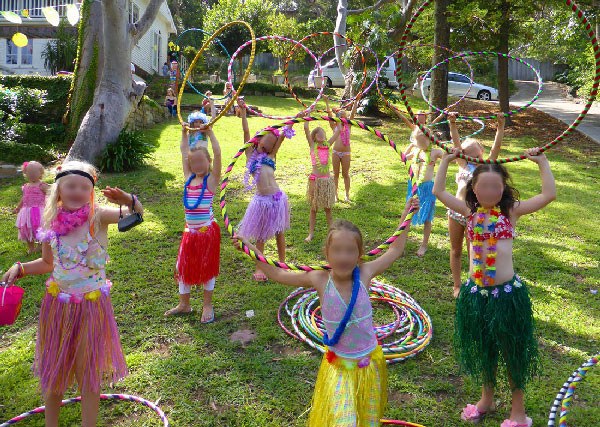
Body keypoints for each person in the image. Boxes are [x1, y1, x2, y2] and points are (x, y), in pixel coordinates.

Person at [232, 197, 419, 426]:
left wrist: (406, 215)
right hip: (339, 366)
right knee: (344, 422)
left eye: (350, 251)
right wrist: (248, 248)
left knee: (368, 421)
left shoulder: (365, 272)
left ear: (360, 254)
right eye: (337, 250)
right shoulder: (319, 278)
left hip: (368, 364)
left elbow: (395, 249)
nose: (343, 257)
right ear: (326, 254)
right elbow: (279, 274)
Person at [2, 160, 143, 427]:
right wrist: (20, 267)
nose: (77, 191)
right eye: (71, 186)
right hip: (58, 307)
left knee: (86, 370)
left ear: (91, 191)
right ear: (59, 190)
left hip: (91, 308)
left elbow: (136, 214)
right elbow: (47, 264)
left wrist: (129, 199)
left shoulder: (97, 216)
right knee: (55, 369)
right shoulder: (51, 222)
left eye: (83, 187)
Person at [433, 147, 556, 427]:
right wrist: (447, 161)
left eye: (495, 186)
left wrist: (543, 162)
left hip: (506, 297)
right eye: (483, 186)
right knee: (484, 348)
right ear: (473, 189)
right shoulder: (468, 212)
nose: (489, 191)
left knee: (511, 351)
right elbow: (439, 192)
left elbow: (548, 195)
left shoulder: (509, 213)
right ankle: (486, 399)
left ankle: (518, 413)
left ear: (504, 189)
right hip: (477, 295)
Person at [165, 122, 222, 323]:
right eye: (194, 163)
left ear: (208, 161)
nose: (197, 166)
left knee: (206, 269)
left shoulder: (212, 181)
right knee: (182, 267)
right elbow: (183, 153)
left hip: (206, 232)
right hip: (190, 232)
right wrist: (183, 133)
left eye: (201, 162)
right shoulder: (189, 178)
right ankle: (184, 304)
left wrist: (210, 133)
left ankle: (207, 305)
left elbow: (218, 152)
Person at [446, 112, 505, 297]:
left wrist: (500, 127)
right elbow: (456, 144)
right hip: (456, 211)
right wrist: (452, 124)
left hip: (475, 215)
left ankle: (473, 282)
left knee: (474, 251)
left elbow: (496, 149)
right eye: (464, 152)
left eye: (473, 153)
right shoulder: (463, 165)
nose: (467, 155)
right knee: (455, 249)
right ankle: (457, 285)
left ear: (481, 154)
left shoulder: (484, 168)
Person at [238, 99, 295, 282]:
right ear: (258, 139)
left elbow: (284, 134)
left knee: (280, 232)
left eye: (271, 144)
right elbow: (246, 132)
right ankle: (260, 267)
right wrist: (243, 111)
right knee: (261, 236)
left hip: (277, 199)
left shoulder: (271, 155)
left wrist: (296, 119)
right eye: (265, 142)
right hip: (262, 201)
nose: (268, 146)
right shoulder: (250, 155)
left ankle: (282, 264)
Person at [304, 113, 341, 242]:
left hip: (326, 181)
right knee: (313, 207)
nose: (322, 136)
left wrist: (338, 120)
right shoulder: (312, 146)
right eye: (318, 134)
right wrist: (307, 117)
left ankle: (331, 234)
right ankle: (311, 233)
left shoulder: (328, 145)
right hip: (315, 179)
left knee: (328, 208)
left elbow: (337, 133)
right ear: (314, 137)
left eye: (323, 134)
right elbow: (306, 129)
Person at [326, 96, 360, 202]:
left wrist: (356, 101)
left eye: (343, 116)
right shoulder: (335, 127)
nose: (342, 118)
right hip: (336, 152)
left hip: (346, 153)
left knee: (345, 174)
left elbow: (353, 114)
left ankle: (347, 195)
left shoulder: (349, 126)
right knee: (335, 174)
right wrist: (327, 101)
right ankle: (335, 195)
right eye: (340, 116)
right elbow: (329, 115)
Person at [13, 161, 48, 254]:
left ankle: (41, 245)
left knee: (39, 228)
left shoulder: (42, 185)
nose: (32, 174)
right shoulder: (25, 186)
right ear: (25, 173)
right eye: (29, 172)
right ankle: (31, 247)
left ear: (41, 173)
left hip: (38, 211)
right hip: (26, 211)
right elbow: (24, 198)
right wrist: (18, 207)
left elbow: (50, 195)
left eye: (34, 172)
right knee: (27, 228)